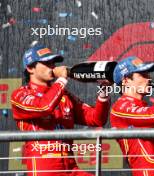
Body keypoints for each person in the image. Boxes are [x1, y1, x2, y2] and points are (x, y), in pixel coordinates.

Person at [11, 44, 110, 176]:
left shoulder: (63, 94)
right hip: (44, 169)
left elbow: (96, 119)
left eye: (53, 62)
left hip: (70, 166)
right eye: (47, 63)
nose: (52, 67)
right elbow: (44, 107)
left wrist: (103, 89)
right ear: (30, 68)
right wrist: (62, 79)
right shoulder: (20, 94)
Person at [110, 56, 154, 176]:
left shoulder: (148, 106)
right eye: (142, 74)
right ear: (125, 81)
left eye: (147, 74)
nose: (148, 79)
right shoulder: (120, 106)